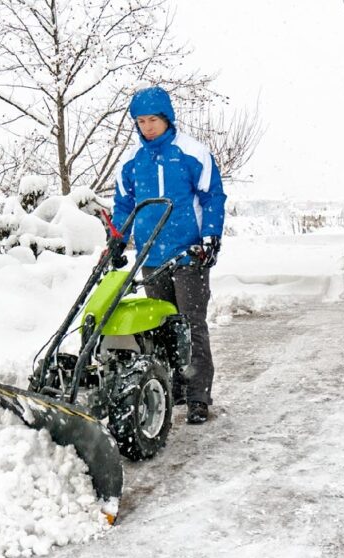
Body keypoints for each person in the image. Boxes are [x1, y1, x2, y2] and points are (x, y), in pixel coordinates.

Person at [111, 86, 226, 424]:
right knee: (160, 325)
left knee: (190, 324)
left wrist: (210, 238)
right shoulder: (133, 163)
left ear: (167, 119)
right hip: (151, 256)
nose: (147, 127)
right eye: (141, 121)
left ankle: (197, 396)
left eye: (153, 120)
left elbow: (212, 197)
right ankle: (170, 387)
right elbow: (123, 204)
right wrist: (117, 238)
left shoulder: (192, 153)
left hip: (189, 254)